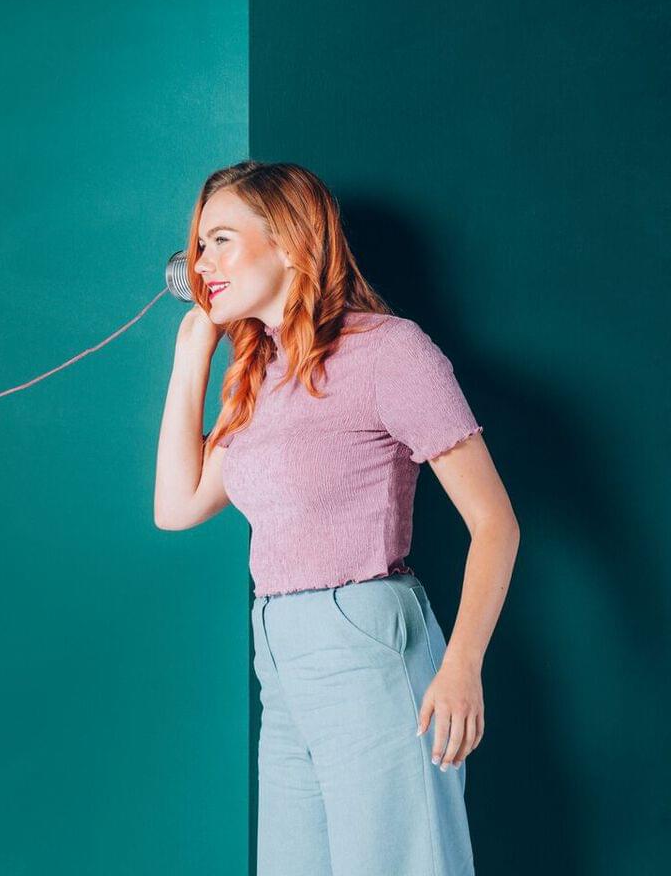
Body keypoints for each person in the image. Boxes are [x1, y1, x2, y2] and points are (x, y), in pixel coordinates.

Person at [153, 162, 518, 875]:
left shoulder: (387, 351)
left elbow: (496, 524)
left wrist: (463, 666)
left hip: (366, 645)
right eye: (198, 248)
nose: (202, 264)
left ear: (289, 242)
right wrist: (192, 351)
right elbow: (176, 506)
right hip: (280, 656)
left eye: (221, 240)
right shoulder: (260, 373)